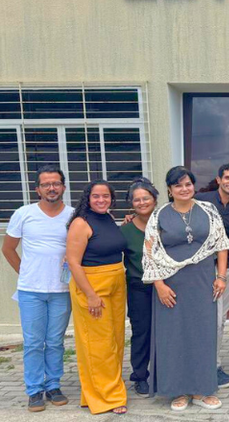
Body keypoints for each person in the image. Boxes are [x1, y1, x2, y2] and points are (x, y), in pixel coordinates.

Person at [142, 166, 229, 411]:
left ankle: (202, 390)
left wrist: (221, 277)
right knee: (174, 337)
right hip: (170, 285)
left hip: (203, 283)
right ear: (170, 190)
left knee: (202, 335)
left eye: (188, 184)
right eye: (178, 185)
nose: (184, 189)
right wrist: (159, 285)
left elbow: (222, 245)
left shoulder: (208, 210)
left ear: (194, 186)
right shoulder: (159, 215)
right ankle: (178, 391)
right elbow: (149, 252)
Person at [2, 165, 74, 412]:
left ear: (63, 187)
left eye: (56, 183)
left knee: (55, 342)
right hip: (31, 291)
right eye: (46, 184)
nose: (51, 188)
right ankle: (34, 390)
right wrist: (26, 273)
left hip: (61, 290)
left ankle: (53, 385)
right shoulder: (24, 213)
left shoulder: (74, 215)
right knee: (33, 342)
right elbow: (8, 248)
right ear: (38, 189)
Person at [65, 180, 128, 415]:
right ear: (87, 199)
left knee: (115, 340)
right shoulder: (80, 223)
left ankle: (96, 391)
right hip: (92, 286)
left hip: (116, 283)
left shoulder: (109, 219)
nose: (101, 200)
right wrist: (91, 295)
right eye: (96, 197)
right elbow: (73, 261)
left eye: (106, 196)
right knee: (98, 344)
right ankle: (108, 398)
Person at [196, 163, 229, 388]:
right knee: (200, 317)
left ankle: (213, 365)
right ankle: (196, 363)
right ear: (218, 179)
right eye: (227, 177)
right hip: (199, 269)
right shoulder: (200, 201)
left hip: (228, 268)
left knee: (220, 320)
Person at [121, 178, 159, 398]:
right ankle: (140, 376)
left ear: (154, 199)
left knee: (165, 330)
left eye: (146, 198)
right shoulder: (125, 230)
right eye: (137, 199)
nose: (142, 202)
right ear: (131, 203)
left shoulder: (165, 223)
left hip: (166, 286)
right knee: (141, 333)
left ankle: (163, 372)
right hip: (138, 288)